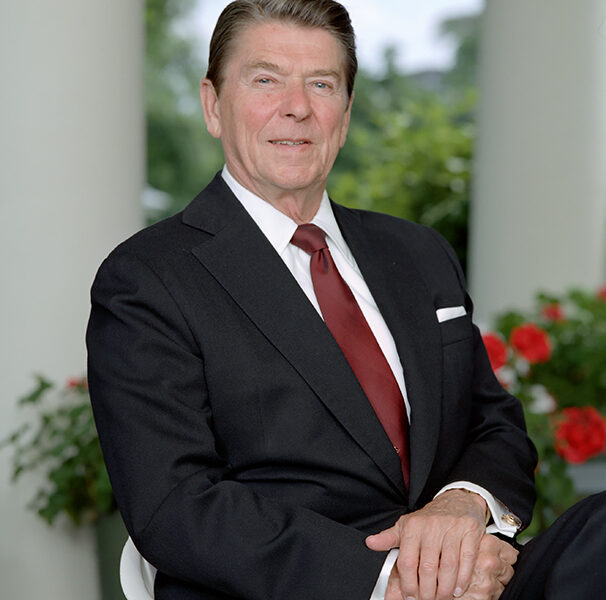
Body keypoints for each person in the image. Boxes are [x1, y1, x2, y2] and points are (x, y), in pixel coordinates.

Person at [86, 2, 606, 599]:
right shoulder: (149, 278)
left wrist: (464, 505)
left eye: (322, 84)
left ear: (347, 111)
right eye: (265, 79)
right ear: (212, 105)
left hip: (473, 580)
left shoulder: (417, 252)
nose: (298, 107)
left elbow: (494, 424)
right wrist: (393, 581)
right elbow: (175, 507)